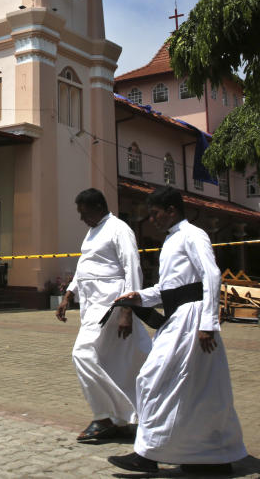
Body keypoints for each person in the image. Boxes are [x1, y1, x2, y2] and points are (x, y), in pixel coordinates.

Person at [107, 186, 246, 474]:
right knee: (197, 389)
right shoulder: (172, 240)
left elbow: (211, 274)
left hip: (192, 320)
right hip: (180, 316)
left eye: (156, 214)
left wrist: (208, 323)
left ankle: (148, 454)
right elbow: (168, 289)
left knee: (152, 379)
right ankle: (206, 458)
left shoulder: (193, 234)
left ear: (172, 210)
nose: (152, 219)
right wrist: (139, 297)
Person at [56, 188, 152, 443]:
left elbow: (133, 269)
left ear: (98, 207)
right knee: (112, 361)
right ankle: (125, 418)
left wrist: (128, 311)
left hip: (111, 304)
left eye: (84, 213)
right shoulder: (92, 231)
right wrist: (69, 293)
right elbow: (84, 265)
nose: (81, 218)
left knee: (82, 354)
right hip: (91, 305)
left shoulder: (119, 229)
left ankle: (105, 417)